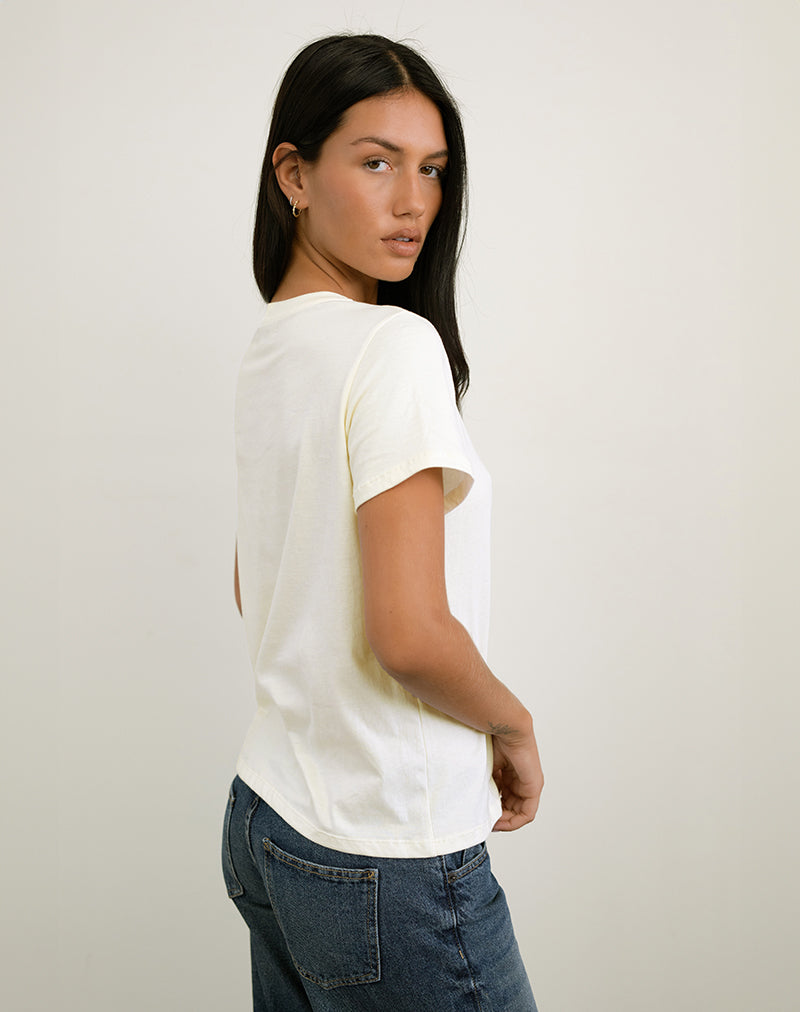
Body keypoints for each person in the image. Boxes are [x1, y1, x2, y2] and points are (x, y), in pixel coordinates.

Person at [222, 33, 544, 1012]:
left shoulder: (273, 346)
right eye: (376, 162)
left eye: (432, 169)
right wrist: (513, 724)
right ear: (294, 174)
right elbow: (407, 635)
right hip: (387, 846)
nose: (412, 201)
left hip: (270, 817)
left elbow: (253, 584)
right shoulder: (391, 347)